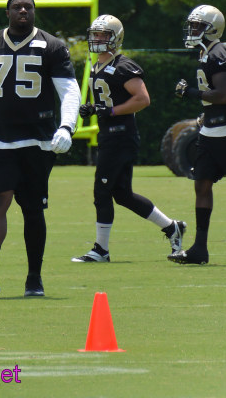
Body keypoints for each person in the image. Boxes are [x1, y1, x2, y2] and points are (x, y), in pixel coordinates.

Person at [0, 0, 80, 299]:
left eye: (28, 6)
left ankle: (34, 277)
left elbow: (70, 92)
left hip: (38, 140)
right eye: (16, 6)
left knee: (32, 208)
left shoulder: (53, 46)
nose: (22, 10)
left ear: (34, 12)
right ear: (7, 12)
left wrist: (67, 126)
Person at [72, 14, 186, 264]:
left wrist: (109, 111)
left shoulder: (124, 66)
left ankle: (101, 250)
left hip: (120, 137)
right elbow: (109, 100)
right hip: (110, 136)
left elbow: (142, 99)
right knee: (122, 194)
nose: (97, 39)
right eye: (96, 34)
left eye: (103, 34)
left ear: (115, 38)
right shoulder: (96, 65)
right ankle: (172, 227)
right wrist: (93, 108)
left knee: (102, 190)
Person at [168, 4, 226, 265]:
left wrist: (191, 93)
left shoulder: (218, 51)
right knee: (202, 183)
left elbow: (222, 95)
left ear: (213, 28)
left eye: (198, 25)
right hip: (211, 131)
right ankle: (199, 249)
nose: (193, 29)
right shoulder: (206, 51)